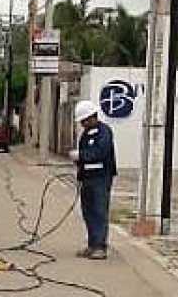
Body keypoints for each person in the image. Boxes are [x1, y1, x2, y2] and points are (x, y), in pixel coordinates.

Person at [71, 100, 117, 260]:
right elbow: (85, 157)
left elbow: (100, 152)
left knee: (99, 211)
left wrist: (81, 156)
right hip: (88, 179)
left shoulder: (104, 132)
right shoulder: (85, 135)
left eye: (84, 120)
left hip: (101, 178)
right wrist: (79, 168)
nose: (82, 124)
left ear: (92, 117)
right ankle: (92, 244)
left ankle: (100, 247)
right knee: (88, 212)